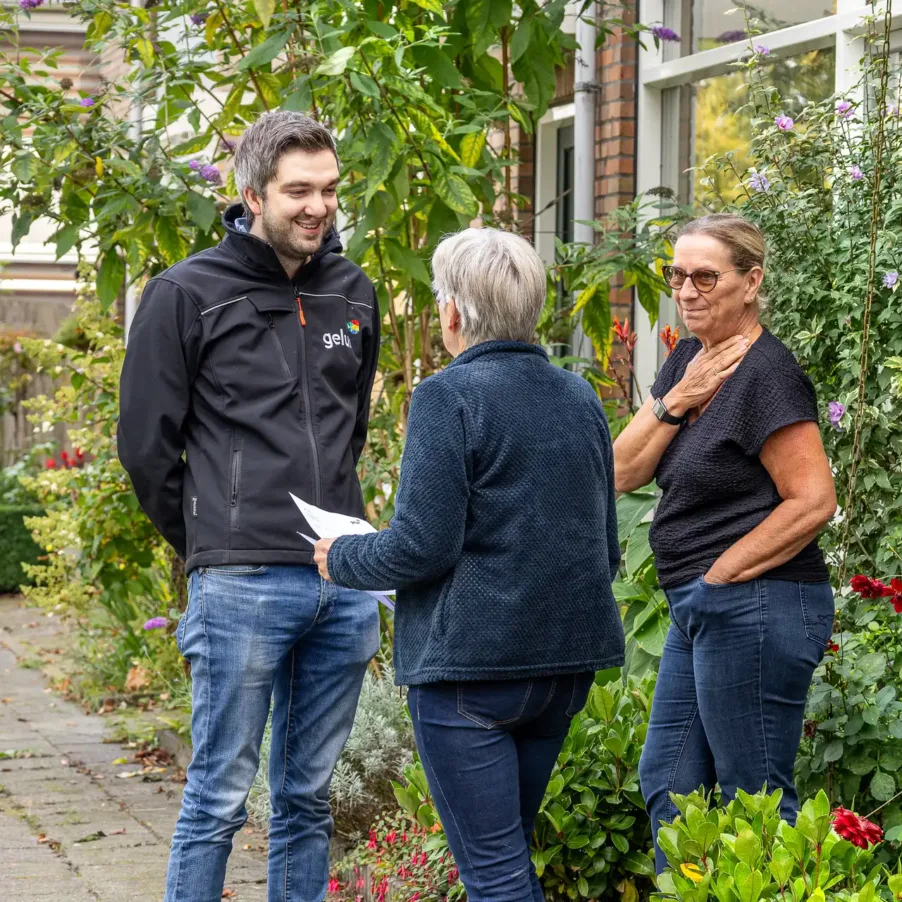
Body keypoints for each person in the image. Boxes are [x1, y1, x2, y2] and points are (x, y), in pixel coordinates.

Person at [312, 227, 625, 902]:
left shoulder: (447, 396)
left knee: (494, 875)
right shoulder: (580, 397)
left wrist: (342, 555)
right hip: (563, 667)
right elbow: (606, 544)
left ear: (453, 312)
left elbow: (420, 546)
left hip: (471, 675)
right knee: (508, 857)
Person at [117, 111, 382, 902]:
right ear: (253, 195)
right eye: (299, 191)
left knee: (308, 798)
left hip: (341, 580)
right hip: (241, 584)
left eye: (329, 190)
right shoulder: (185, 294)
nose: (318, 207)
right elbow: (146, 449)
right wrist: (212, 538)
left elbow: (352, 427)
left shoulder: (352, 292)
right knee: (218, 798)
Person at [614, 213, 836, 872]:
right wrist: (680, 396)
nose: (686, 291)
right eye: (676, 275)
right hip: (705, 606)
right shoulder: (690, 359)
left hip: (757, 602)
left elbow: (813, 501)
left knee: (755, 800)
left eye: (705, 277)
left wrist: (719, 577)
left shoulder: (768, 374)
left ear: (751, 281)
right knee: (670, 783)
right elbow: (620, 469)